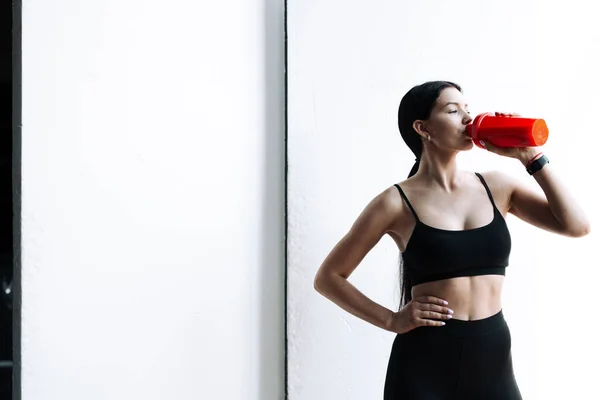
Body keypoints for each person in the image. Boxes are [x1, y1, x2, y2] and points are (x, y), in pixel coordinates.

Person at [313, 81, 590, 399]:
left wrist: (531, 157)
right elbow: (329, 278)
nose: (468, 118)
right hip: (424, 362)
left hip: (492, 355)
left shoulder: (497, 187)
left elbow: (576, 225)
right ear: (423, 128)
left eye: (468, 109)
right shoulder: (395, 202)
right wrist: (391, 319)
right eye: (453, 110)